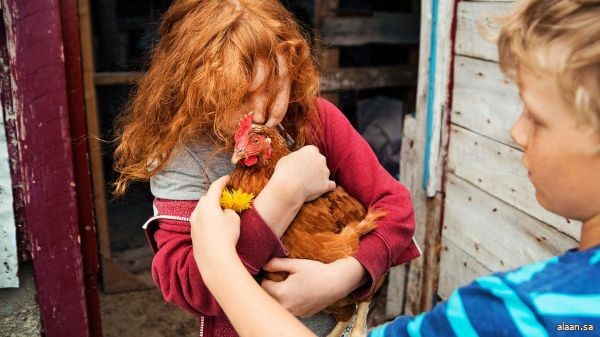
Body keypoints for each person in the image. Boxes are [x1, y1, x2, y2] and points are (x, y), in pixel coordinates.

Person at [189, 0, 600, 336]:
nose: (515, 132)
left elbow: (392, 210)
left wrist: (222, 266)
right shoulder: (571, 313)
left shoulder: (514, 315)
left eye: (538, 117)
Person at [112, 0, 419, 336]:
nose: (260, 112)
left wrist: (345, 276)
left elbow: (396, 209)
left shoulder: (315, 119)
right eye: (238, 97)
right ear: (197, 89)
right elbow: (190, 288)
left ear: (293, 68)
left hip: (338, 328)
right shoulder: (181, 158)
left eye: (275, 88)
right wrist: (282, 197)